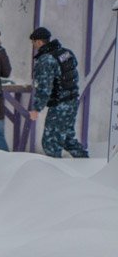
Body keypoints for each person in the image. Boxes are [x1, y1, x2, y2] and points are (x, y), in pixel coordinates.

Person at [28, 27, 89, 158]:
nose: (34, 46)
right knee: (67, 139)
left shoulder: (45, 60)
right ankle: (85, 165)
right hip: (72, 101)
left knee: (50, 143)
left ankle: (55, 175)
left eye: (33, 43)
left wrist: (36, 108)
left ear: (39, 42)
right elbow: (73, 70)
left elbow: (44, 88)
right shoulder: (66, 53)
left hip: (59, 105)